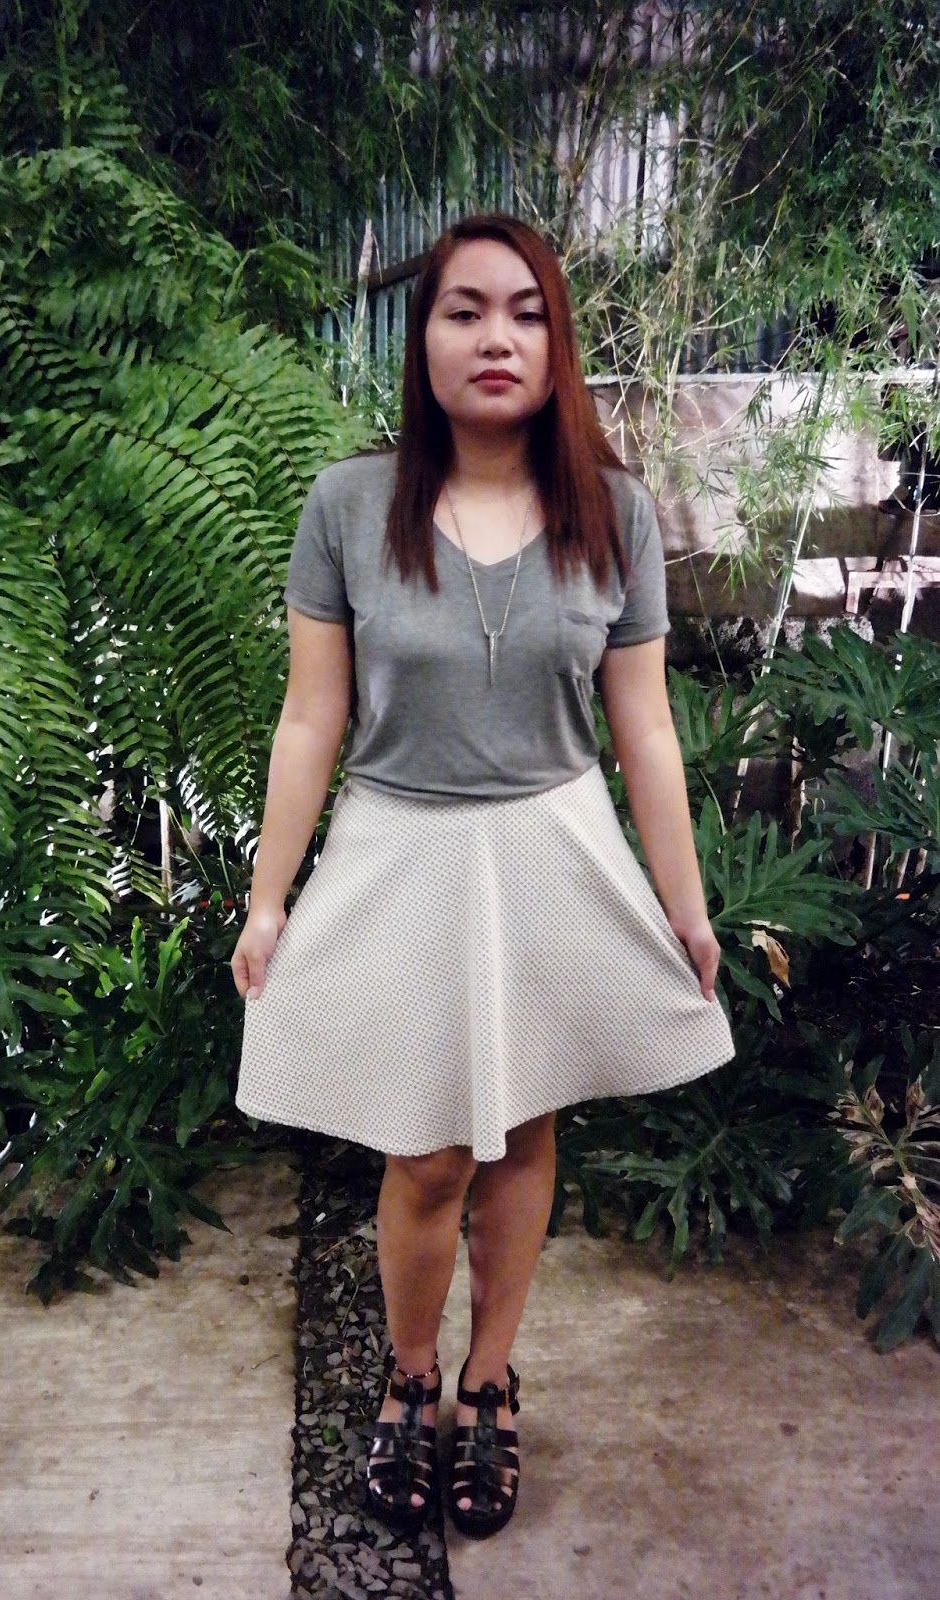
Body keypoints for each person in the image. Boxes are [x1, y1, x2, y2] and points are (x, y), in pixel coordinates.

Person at [231, 212, 735, 1540]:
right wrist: (269, 896)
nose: (494, 337)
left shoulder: (615, 514)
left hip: (553, 849)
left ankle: (490, 1379)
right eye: (463, 311)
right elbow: (309, 718)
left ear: (556, 343)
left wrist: (684, 907)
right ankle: (410, 1379)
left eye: (524, 312)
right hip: (400, 845)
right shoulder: (350, 505)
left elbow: (644, 732)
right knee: (427, 1153)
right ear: (424, 340)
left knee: (522, 1132)